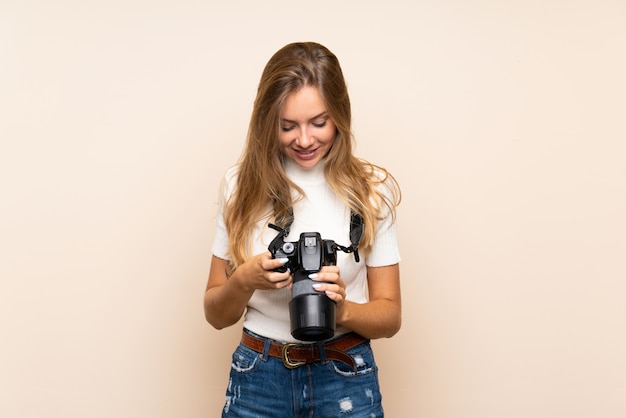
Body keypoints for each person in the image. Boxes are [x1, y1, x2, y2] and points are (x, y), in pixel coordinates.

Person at [204, 41, 401, 417]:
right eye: (287, 126)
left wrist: (341, 310)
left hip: (344, 372)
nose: (305, 140)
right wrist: (244, 280)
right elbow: (215, 315)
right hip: (259, 376)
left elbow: (390, 317)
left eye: (319, 122)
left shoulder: (373, 188)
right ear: (267, 121)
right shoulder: (239, 185)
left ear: (340, 115)